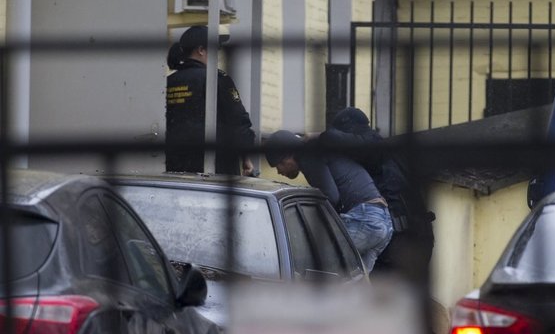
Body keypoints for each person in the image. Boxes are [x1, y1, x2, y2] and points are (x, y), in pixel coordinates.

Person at [320, 107, 435, 278]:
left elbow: (346, 143)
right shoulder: (395, 151)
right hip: (420, 237)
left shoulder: (373, 147)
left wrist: (323, 136)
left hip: (398, 243)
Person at [265, 129, 393, 273]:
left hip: (363, 220)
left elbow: (330, 196)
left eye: (278, 165)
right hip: (383, 221)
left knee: (315, 265)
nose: (279, 172)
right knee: (352, 282)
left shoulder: (307, 154)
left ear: (288, 155)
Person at [165, 26, 255, 175]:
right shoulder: (217, 79)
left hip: (175, 170)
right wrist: (246, 158)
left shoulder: (168, 82)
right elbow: (238, 122)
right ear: (201, 50)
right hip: (215, 170)